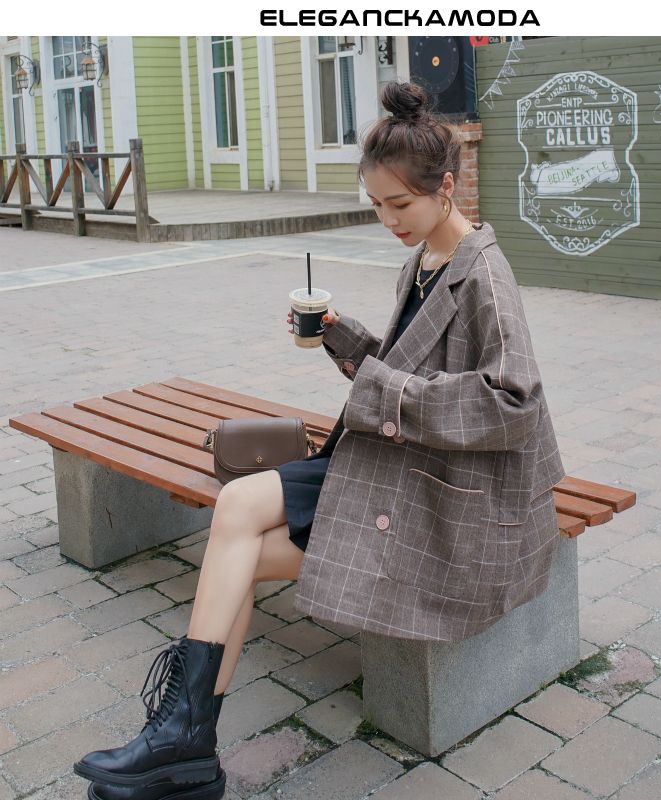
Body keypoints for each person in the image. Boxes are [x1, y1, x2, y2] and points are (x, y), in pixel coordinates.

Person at [73, 81, 565, 799]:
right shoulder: (424, 259)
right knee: (237, 505)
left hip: (447, 491)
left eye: (400, 204)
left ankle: (183, 745)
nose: (387, 220)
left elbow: (513, 403)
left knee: (238, 551)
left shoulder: (485, 274)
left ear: (445, 188)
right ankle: (181, 738)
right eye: (376, 204)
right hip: (389, 456)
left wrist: (380, 389)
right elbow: (405, 364)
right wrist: (342, 337)